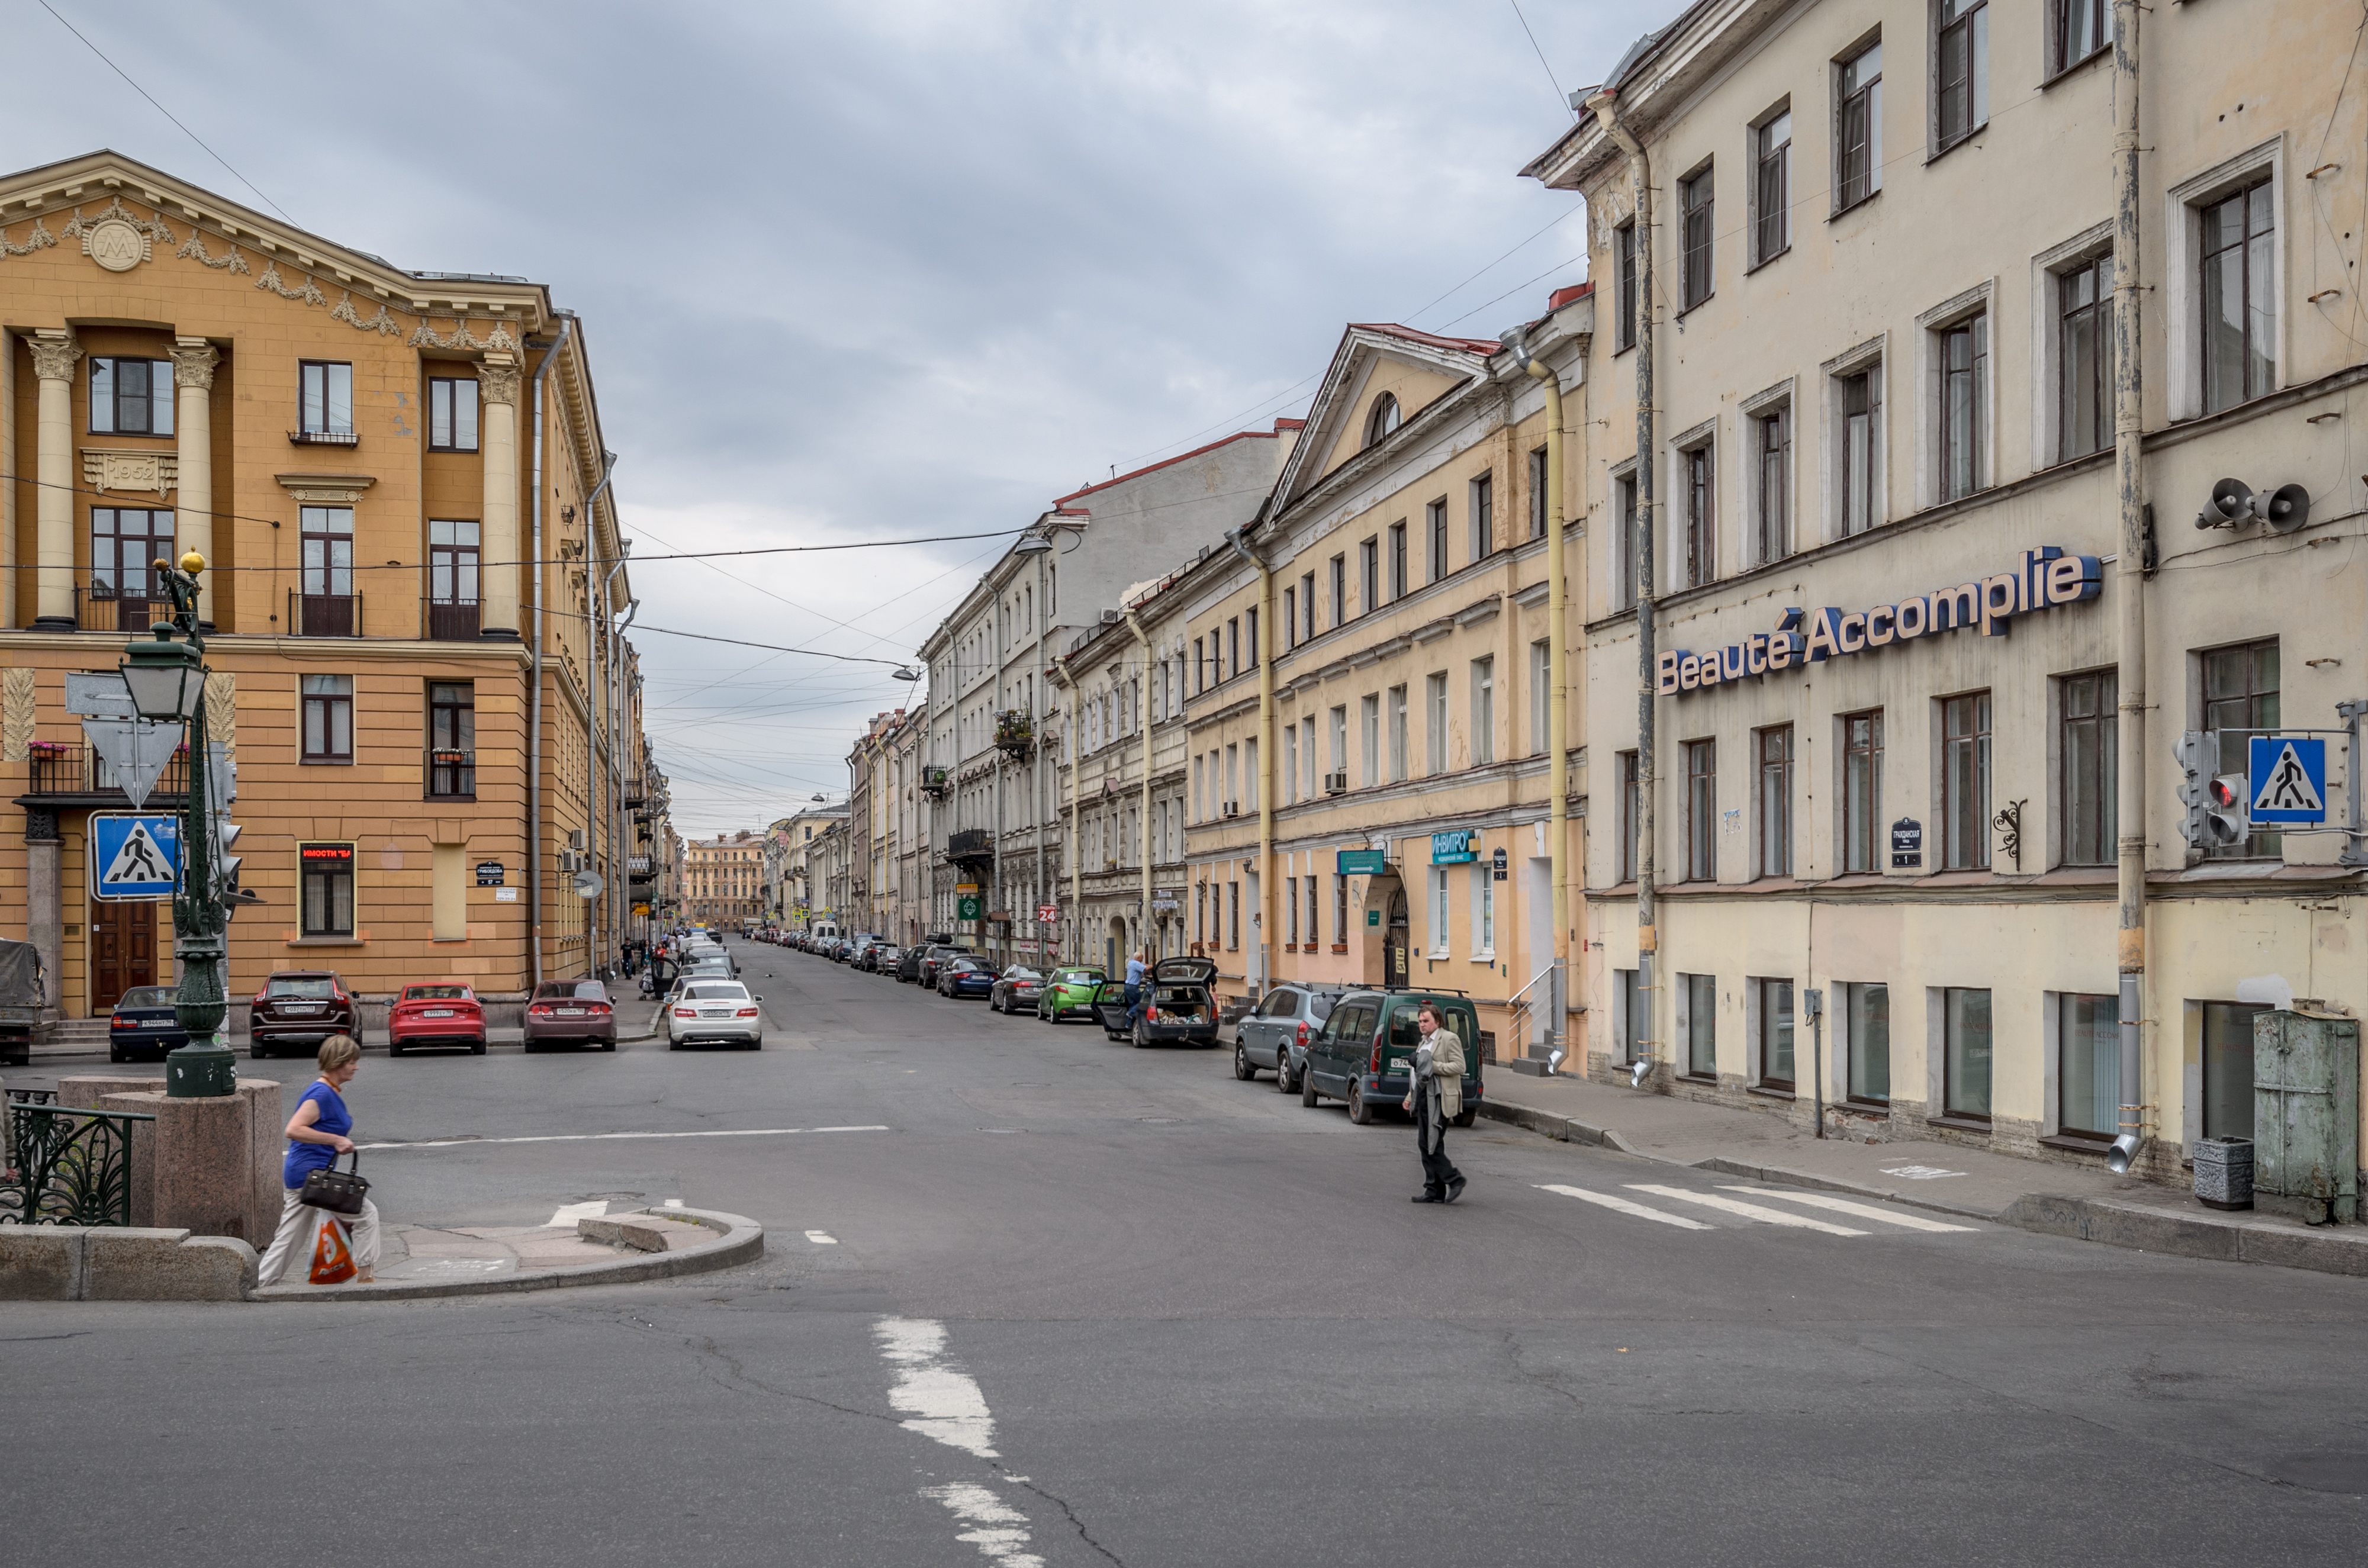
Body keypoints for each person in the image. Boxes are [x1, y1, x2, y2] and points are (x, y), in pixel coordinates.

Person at [256, 1035, 382, 1286]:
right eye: (352, 1062)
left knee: (290, 1235)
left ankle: (262, 1282)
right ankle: (366, 1277)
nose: (356, 1067)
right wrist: (335, 1140)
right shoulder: (321, 1094)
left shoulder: (327, 1091)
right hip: (310, 1176)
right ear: (337, 1063)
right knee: (366, 1214)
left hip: (303, 1175)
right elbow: (293, 1129)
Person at [1401, 1003, 1466, 1205]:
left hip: (1439, 1099)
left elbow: (1460, 1066)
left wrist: (1431, 1065)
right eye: (1420, 1021)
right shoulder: (1424, 1041)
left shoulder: (1449, 1039)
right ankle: (1434, 1190)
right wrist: (1410, 1096)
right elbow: (1419, 1073)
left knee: (1430, 1143)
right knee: (1428, 1143)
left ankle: (1455, 1180)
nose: (1422, 1025)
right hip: (1423, 1097)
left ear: (1437, 1022)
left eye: (1426, 1021)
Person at [1123, 948, 1148, 1025]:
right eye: (1141, 959)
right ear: (1138, 958)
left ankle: (1128, 1024)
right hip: (1133, 988)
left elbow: (1143, 965)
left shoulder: (1131, 962)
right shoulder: (1136, 963)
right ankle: (1130, 1013)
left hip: (1127, 987)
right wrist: (1154, 966)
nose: (1142, 961)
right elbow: (1147, 968)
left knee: (1133, 1005)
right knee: (1142, 1001)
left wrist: (1145, 965)